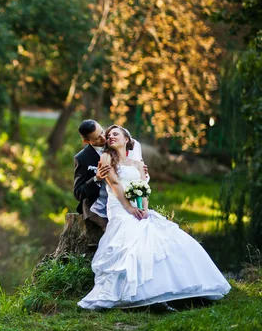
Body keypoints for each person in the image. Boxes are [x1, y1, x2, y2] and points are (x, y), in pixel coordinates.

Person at [77, 125, 231, 309]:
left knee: (168, 239)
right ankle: (150, 298)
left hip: (138, 207)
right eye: (108, 135)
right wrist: (129, 208)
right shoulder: (106, 157)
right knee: (136, 242)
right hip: (119, 207)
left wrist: (144, 208)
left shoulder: (137, 163)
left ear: (126, 139)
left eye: (115, 134)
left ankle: (188, 290)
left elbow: (143, 187)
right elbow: (116, 184)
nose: (109, 137)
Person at [73, 120, 148, 231]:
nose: (104, 138)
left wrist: (139, 171)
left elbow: (133, 172)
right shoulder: (82, 158)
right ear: (86, 141)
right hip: (98, 205)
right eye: (97, 138)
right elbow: (78, 193)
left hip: (126, 199)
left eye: (102, 132)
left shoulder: (116, 143)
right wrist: (96, 178)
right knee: (119, 229)